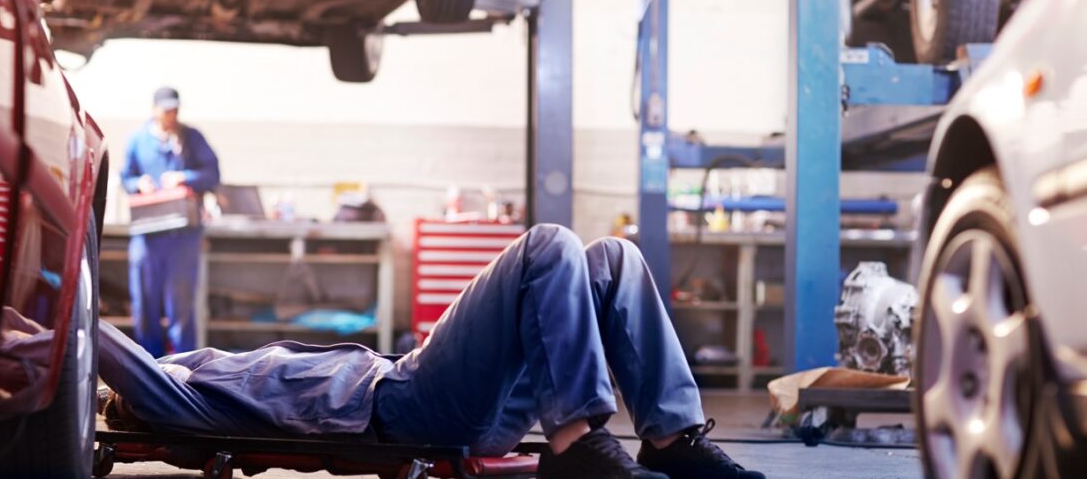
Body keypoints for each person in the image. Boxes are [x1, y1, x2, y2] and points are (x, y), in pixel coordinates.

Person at [97, 224, 765, 479]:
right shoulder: (175, 398)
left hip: (441, 393)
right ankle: (575, 446)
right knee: (546, 247)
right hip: (406, 406)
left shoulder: (192, 374)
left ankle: (672, 437)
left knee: (612, 258)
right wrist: (53, 309)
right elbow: (105, 350)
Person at [119, 87, 220, 357]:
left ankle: (184, 367)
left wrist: (184, 177)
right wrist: (138, 183)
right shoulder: (138, 140)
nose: (171, 115)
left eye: (175, 110)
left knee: (182, 308)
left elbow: (212, 174)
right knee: (144, 306)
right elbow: (124, 177)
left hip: (182, 238)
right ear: (154, 109)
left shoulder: (192, 138)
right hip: (147, 237)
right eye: (166, 110)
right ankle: (148, 365)